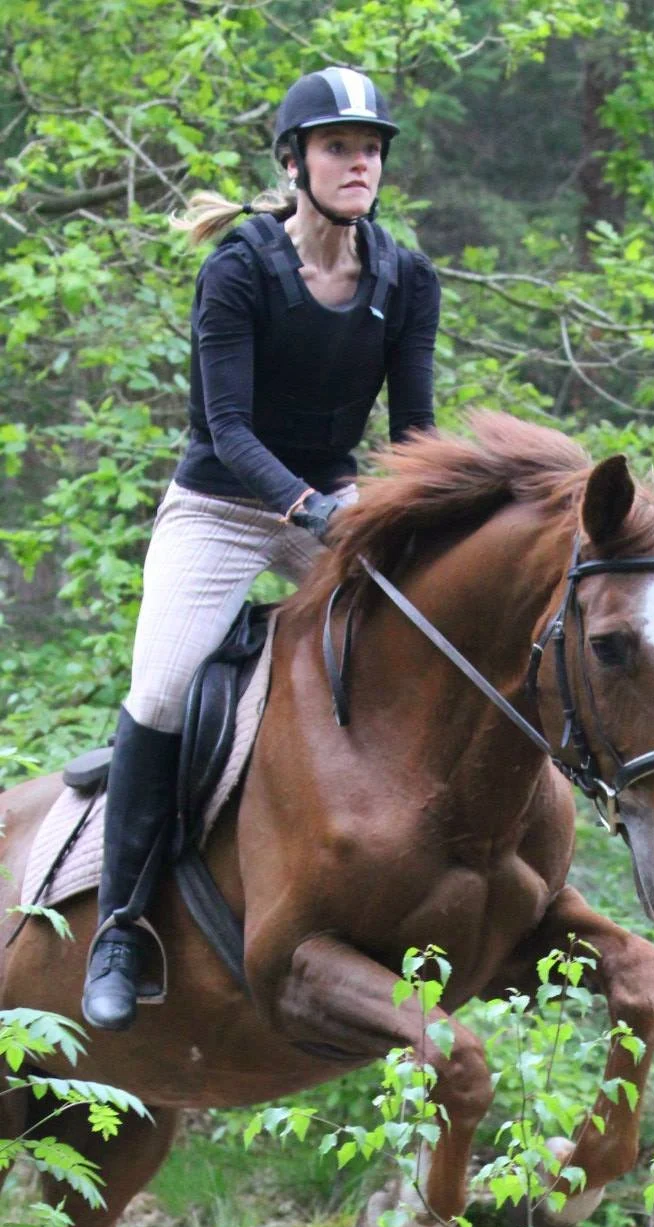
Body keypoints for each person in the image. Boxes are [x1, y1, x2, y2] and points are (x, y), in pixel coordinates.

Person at [82, 66, 441, 1032]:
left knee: (430, 630)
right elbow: (227, 429)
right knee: (159, 689)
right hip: (224, 502)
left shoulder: (405, 276)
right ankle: (121, 926)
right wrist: (310, 513)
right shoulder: (240, 268)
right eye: (338, 147)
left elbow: (414, 432)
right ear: (295, 162)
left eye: (370, 148)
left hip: (334, 495)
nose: (359, 161)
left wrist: (410, 521)